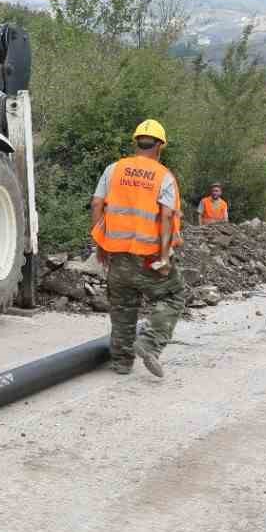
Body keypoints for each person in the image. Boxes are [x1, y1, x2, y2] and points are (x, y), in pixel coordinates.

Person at [91, 119, 186, 377]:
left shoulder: (114, 169)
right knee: (173, 295)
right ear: (159, 147)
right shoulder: (163, 176)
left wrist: (101, 243)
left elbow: (97, 204)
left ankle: (122, 362)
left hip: (118, 255)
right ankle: (149, 343)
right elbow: (166, 216)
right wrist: (165, 256)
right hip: (148, 258)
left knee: (122, 307)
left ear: (136, 143)